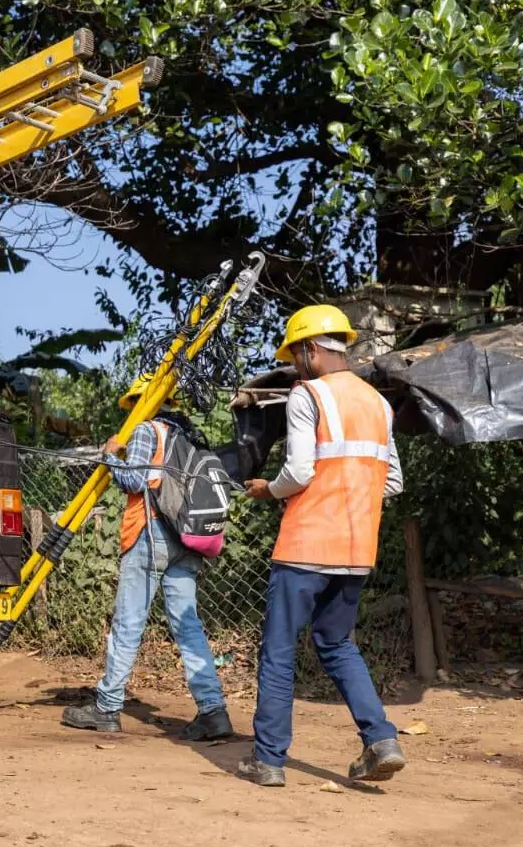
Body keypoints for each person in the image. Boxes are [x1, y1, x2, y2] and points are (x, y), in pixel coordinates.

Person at [238, 304, 406, 788]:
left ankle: (268, 759)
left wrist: (266, 489)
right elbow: (391, 481)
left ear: (312, 349)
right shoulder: (378, 403)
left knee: (278, 651)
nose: (294, 366)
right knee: (336, 644)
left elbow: (298, 473)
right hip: (356, 551)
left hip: (306, 544)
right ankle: (381, 740)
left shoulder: (307, 395)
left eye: (295, 356)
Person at [62, 374, 231, 740]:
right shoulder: (187, 435)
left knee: (128, 622)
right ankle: (213, 711)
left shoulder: (146, 429)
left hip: (148, 536)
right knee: (188, 628)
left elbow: (135, 483)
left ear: (146, 401)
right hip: (185, 543)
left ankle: (107, 707)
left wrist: (109, 456)